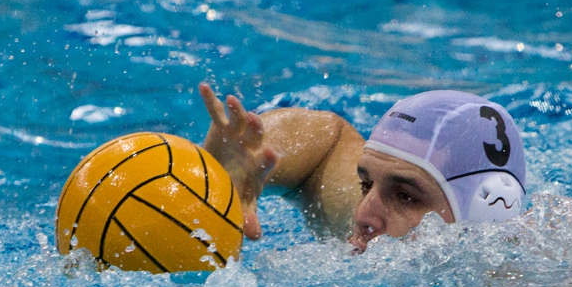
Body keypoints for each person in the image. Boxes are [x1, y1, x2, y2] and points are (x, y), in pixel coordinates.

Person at [199, 82, 527, 252]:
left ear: (487, 214)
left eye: (406, 196)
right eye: (365, 184)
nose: (363, 217)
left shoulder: (537, 283)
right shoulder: (373, 225)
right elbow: (328, 141)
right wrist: (228, 170)